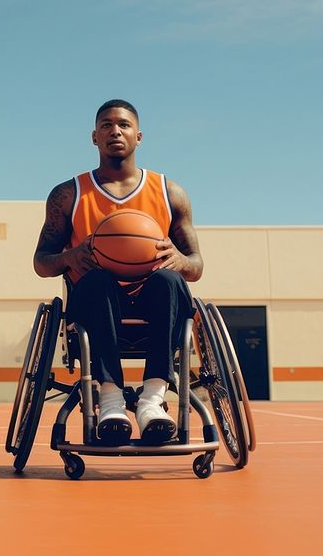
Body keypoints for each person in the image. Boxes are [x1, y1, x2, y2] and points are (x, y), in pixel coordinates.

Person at [33, 99, 203, 445]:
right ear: (94, 137)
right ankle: (109, 399)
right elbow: (41, 262)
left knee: (170, 279)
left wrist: (178, 259)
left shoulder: (170, 193)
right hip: (96, 305)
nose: (115, 131)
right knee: (97, 279)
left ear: (138, 136)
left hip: (154, 305)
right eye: (107, 125)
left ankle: (152, 401)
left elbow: (195, 266)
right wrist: (72, 256)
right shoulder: (69, 194)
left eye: (124, 125)